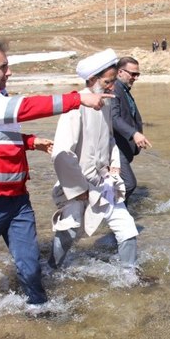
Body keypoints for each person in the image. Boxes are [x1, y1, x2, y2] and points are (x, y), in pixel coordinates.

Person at [0, 39, 111, 305]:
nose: (9, 72)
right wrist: (77, 99)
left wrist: (31, 142)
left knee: (30, 263)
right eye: (4, 67)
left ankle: (39, 309)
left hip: (16, 198)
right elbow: (25, 108)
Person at [49, 49, 141, 275]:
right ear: (92, 80)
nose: (112, 87)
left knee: (127, 228)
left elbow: (109, 138)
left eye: (112, 82)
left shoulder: (106, 103)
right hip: (78, 185)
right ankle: (50, 271)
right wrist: (76, 189)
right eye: (108, 82)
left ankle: (129, 276)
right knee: (69, 232)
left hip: (104, 181)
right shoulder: (74, 108)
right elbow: (61, 152)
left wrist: (114, 164)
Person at [111, 56, 152, 203]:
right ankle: (108, 211)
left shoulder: (124, 89)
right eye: (133, 74)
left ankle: (121, 217)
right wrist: (134, 133)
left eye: (137, 74)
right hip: (115, 148)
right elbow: (114, 118)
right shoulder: (115, 89)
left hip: (124, 146)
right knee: (128, 184)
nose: (135, 78)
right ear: (120, 72)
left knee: (119, 185)